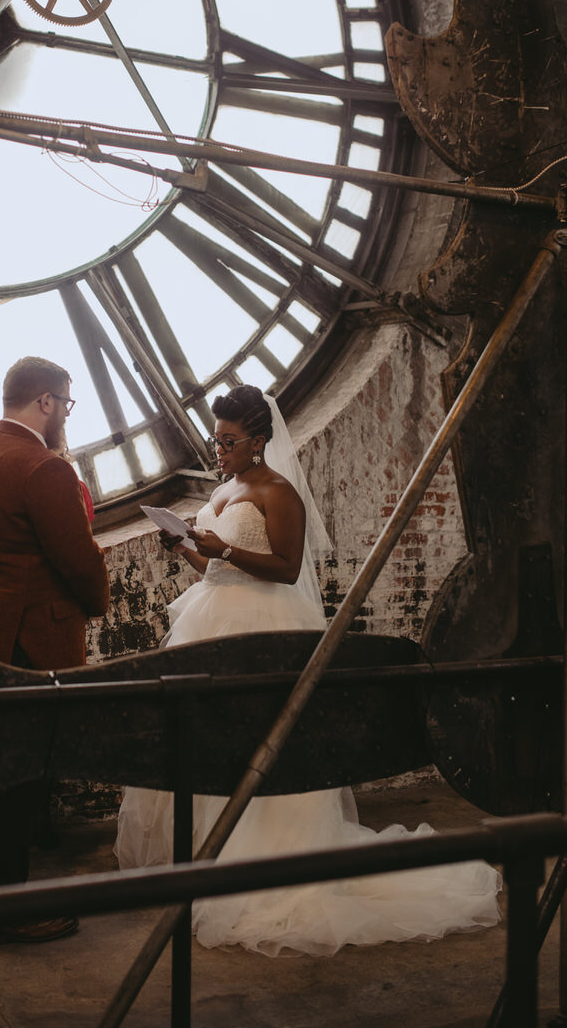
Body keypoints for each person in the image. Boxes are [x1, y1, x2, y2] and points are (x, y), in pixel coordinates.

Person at [115, 384, 501, 956]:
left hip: (262, 629)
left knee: (259, 742)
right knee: (212, 743)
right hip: (212, 619)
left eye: (229, 441)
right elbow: (215, 569)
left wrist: (219, 551)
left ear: (259, 441)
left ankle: (267, 857)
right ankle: (207, 856)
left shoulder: (280, 493)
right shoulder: (225, 488)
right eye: (215, 439)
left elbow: (286, 568)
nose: (218, 450)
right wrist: (187, 549)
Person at [0, 356, 110, 945]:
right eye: (66, 405)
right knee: (21, 780)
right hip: (32, 639)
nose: (65, 416)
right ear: (45, 401)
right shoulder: (42, 467)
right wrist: (96, 601)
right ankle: (5, 914)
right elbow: (77, 558)